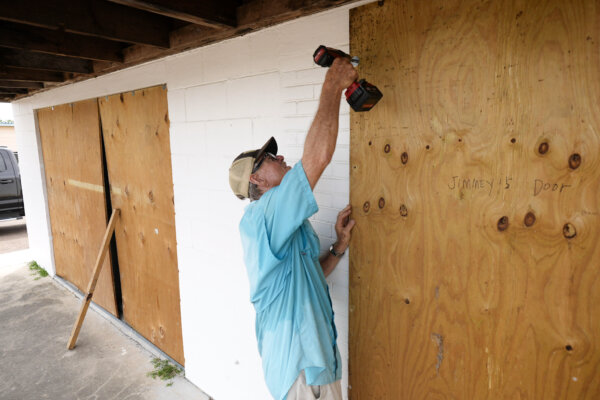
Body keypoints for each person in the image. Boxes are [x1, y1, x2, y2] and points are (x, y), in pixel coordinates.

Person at [228, 57, 358, 400]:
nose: (280, 157)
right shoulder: (262, 216)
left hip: (318, 364)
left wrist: (338, 247)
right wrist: (332, 86)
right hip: (299, 369)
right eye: (270, 159)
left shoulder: (289, 222)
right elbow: (316, 160)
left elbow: (308, 275)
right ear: (256, 179)